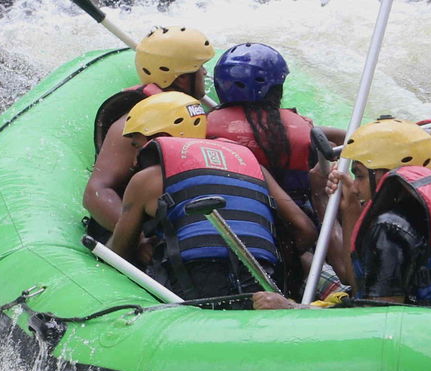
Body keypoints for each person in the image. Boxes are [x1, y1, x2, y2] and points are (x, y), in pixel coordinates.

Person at [253, 118, 431, 310]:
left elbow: (377, 317)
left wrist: (293, 308)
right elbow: (356, 282)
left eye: (360, 175)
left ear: (387, 173)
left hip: (412, 333)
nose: (355, 186)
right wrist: (350, 209)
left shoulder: (391, 225)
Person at [107, 92, 316, 300]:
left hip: (193, 284)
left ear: (160, 137)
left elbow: (117, 255)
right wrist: (278, 259)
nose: (133, 159)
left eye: (136, 146)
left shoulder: (146, 180)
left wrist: (147, 247)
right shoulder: (253, 166)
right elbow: (305, 230)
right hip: (262, 281)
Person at [84, 26, 214, 234]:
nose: (205, 72)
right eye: (200, 67)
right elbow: (95, 193)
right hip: (140, 225)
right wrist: (138, 239)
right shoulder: (133, 123)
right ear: (182, 78)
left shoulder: (189, 114)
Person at [205, 43, 345, 213]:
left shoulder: (203, 126)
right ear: (275, 90)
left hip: (225, 205)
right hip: (295, 211)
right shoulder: (301, 130)